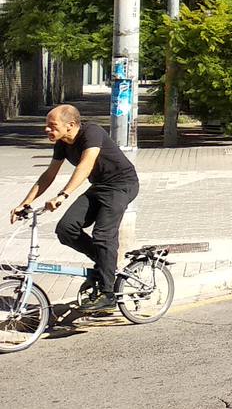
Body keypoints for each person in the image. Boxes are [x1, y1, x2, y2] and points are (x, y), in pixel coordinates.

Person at [9, 104, 140, 310]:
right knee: (65, 229)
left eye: (52, 126)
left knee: (103, 235)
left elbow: (85, 165)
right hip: (99, 187)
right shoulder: (62, 143)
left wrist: (63, 195)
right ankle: (106, 265)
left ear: (70, 125)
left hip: (122, 185)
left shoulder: (92, 132)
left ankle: (108, 295)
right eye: (47, 126)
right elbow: (49, 174)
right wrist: (24, 203)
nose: (47, 129)